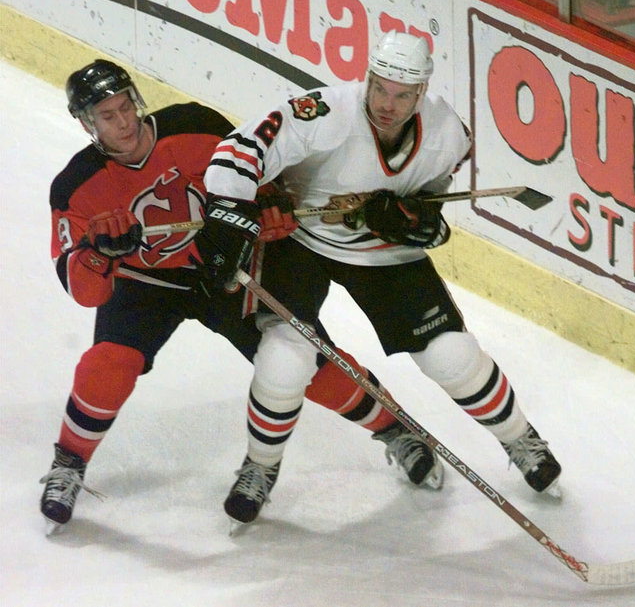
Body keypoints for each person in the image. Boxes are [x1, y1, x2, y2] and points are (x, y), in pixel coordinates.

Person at [40, 59, 443, 534]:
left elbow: (261, 177)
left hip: (224, 269)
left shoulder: (197, 126)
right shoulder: (75, 189)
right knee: (106, 366)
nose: (123, 121)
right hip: (145, 285)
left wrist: (271, 203)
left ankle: (397, 430)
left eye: (125, 106)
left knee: (303, 362)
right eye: (107, 116)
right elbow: (85, 291)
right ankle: (68, 465)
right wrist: (99, 253)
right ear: (88, 124)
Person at [201, 31, 562, 523]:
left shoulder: (449, 135)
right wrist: (234, 208)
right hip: (299, 242)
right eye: (379, 88)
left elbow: (430, 204)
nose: (387, 104)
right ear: (366, 78)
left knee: (451, 356)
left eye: (401, 94)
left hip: (380, 253)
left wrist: (415, 221)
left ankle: (522, 440)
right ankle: (260, 467)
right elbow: (239, 151)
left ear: (421, 93)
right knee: (284, 362)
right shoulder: (324, 113)